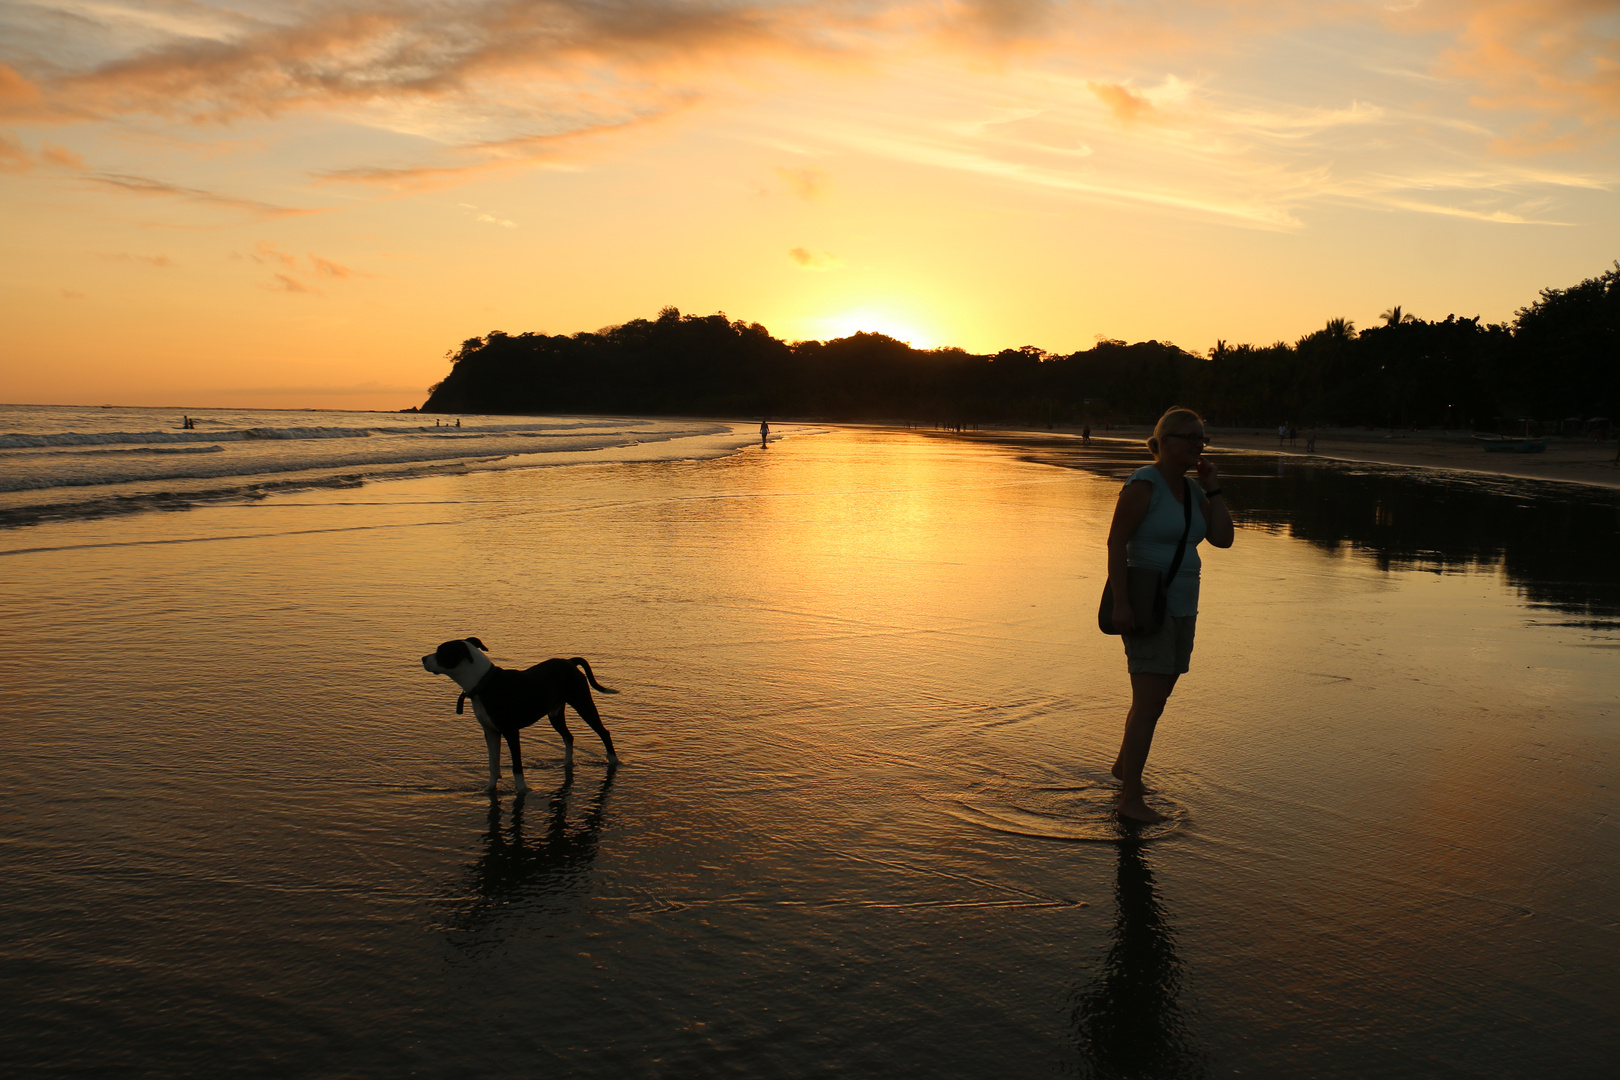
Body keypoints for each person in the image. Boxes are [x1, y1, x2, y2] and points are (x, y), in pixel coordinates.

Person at [1105, 407, 1234, 822]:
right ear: (1164, 440)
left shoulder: (1194, 490)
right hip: (1146, 602)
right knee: (1147, 702)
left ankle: (1124, 768)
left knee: (1158, 700)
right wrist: (1122, 603)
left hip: (1182, 604)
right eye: (1192, 437)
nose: (1200, 444)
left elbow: (1223, 539)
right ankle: (1130, 799)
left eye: (1203, 438)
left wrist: (1212, 488)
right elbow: (1115, 544)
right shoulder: (1144, 484)